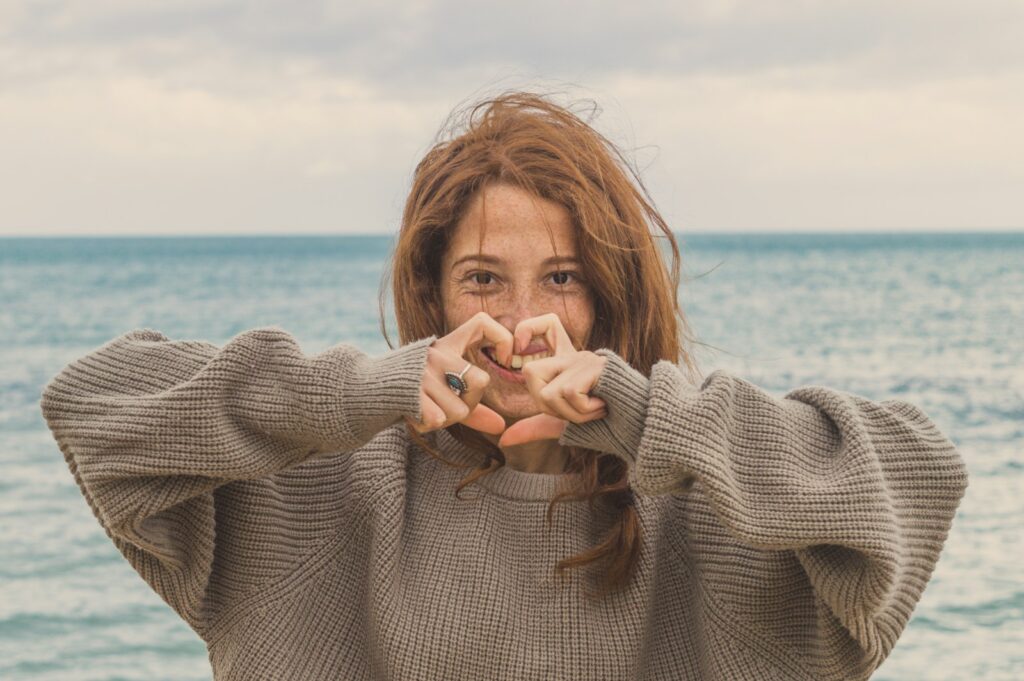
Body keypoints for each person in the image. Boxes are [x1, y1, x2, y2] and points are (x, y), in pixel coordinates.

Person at [39, 91, 968, 681]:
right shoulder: (325, 499)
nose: (528, 325)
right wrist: (358, 392)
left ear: (611, 297)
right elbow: (94, 404)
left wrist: (646, 416)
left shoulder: (703, 512)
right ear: (434, 295)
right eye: (484, 278)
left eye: (562, 278)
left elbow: (916, 477)